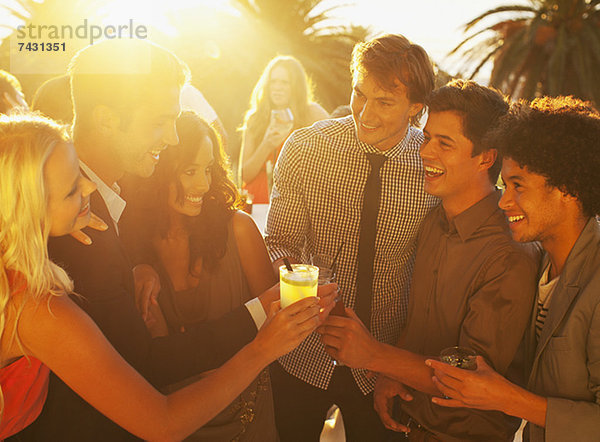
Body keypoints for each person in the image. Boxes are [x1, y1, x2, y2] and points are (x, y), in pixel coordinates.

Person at [17, 39, 335, 442]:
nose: (170, 138)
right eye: (159, 122)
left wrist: (135, 266)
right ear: (106, 119)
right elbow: (145, 368)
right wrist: (262, 329)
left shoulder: (113, 201)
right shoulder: (70, 229)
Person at [319, 80, 540, 441]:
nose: (425, 152)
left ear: (486, 157)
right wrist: (393, 372)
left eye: (444, 143)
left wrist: (374, 356)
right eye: (426, 138)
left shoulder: (509, 254)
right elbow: (419, 320)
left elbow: (468, 381)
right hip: (407, 425)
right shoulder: (434, 221)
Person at [264, 34, 439, 441]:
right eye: (360, 94)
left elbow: (431, 275)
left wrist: (391, 363)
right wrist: (310, 294)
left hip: (384, 369)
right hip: (300, 353)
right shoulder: (307, 148)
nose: (366, 113)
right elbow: (278, 240)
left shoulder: (431, 168)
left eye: (384, 102)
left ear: (416, 109)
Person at [426, 96, 600, 442]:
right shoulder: (540, 264)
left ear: (568, 188)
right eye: (505, 185)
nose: (504, 201)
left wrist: (505, 398)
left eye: (518, 185)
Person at [120, 110, 279, 440]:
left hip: (247, 418)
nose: (204, 184)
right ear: (158, 173)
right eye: (189, 171)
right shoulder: (132, 245)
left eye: (208, 170)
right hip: (173, 420)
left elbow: (276, 321)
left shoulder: (239, 230)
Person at [239, 55, 329, 203]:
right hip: (259, 198)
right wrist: (266, 144)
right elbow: (244, 175)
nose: (277, 87)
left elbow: (335, 153)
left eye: (284, 82)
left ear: (296, 87)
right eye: (273, 82)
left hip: (297, 198)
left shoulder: (312, 113)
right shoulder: (255, 118)